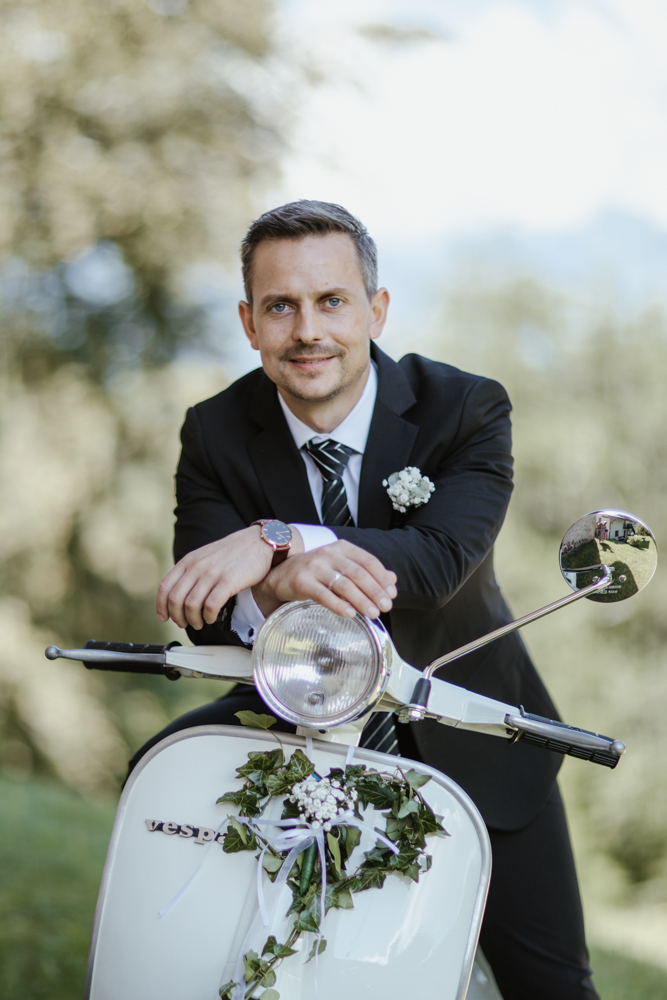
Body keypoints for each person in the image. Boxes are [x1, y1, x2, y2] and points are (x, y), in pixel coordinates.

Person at [132, 200, 598, 1000]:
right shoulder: (214, 430)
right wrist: (276, 580)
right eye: (281, 306)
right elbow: (205, 602)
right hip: (290, 725)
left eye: (331, 301)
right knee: (161, 791)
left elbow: (437, 562)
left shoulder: (464, 407)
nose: (307, 330)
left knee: (551, 986)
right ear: (248, 323)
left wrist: (279, 541)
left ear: (375, 310)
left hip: (470, 727)